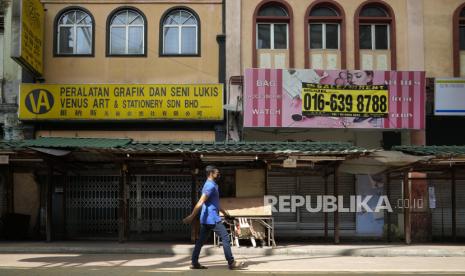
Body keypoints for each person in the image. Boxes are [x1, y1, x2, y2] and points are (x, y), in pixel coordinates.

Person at [182, 165, 245, 270]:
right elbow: (201, 201)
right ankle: (231, 262)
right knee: (225, 237)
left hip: (207, 218)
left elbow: (214, 203)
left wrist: (224, 212)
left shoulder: (213, 185)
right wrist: (192, 216)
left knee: (200, 241)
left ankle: (194, 262)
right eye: (217, 172)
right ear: (211, 173)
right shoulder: (210, 186)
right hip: (212, 218)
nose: (218, 174)